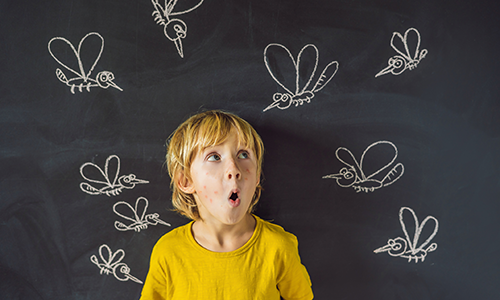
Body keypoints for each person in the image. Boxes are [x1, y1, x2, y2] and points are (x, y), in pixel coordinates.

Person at [140, 110, 313, 300]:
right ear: (186, 181)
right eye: (214, 157)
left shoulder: (278, 247)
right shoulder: (168, 252)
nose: (233, 169)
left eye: (243, 154)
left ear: (256, 176)